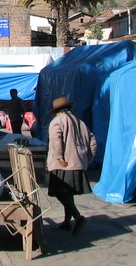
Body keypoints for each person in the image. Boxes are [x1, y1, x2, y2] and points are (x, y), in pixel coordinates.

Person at [46, 96, 97, 235]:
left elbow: (56, 140)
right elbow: (92, 140)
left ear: (58, 110)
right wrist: (88, 158)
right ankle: (67, 221)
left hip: (63, 164)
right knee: (68, 192)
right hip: (78, 162)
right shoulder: (80, 122)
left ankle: (78, 217)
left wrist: (59, 157)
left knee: (60, 192)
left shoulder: (57, 121)